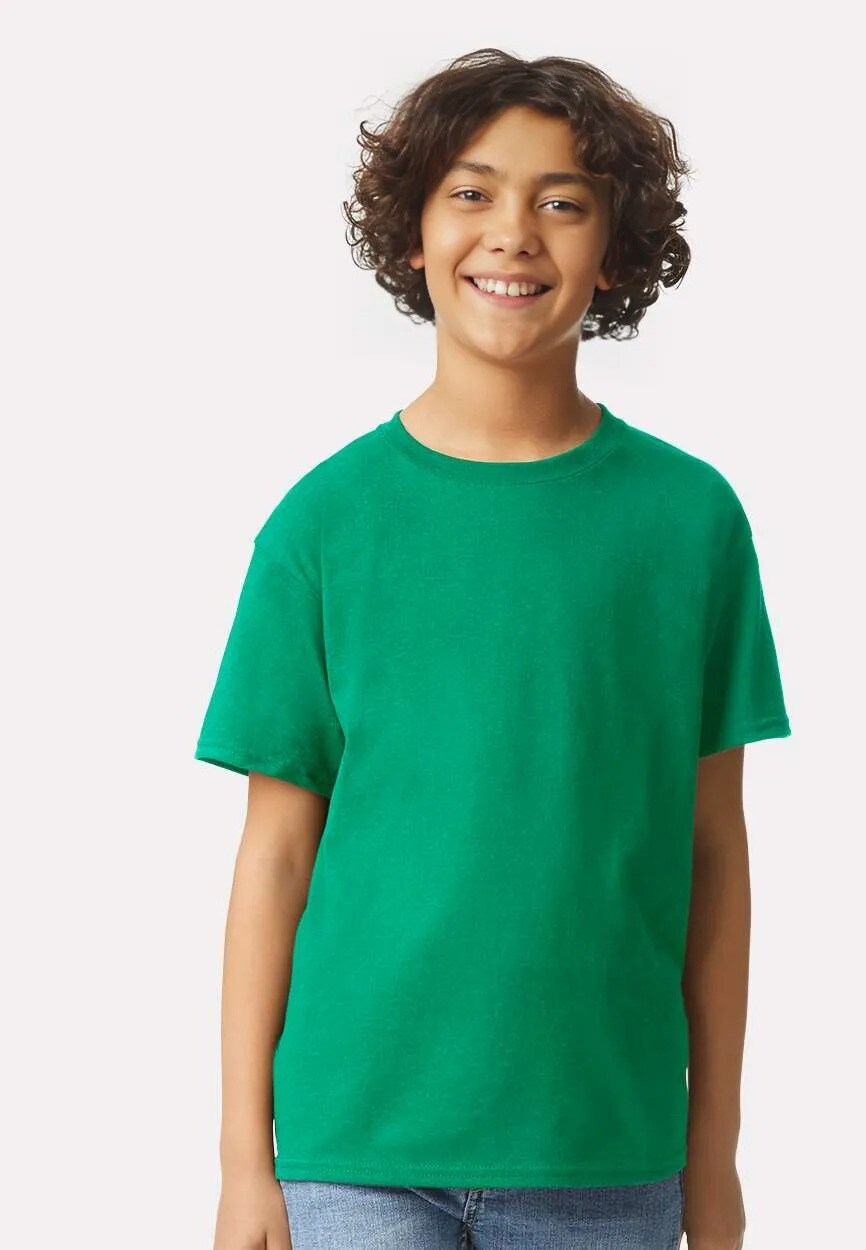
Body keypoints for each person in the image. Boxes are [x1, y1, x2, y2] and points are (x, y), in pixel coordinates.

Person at [195, 48, 792, 1250]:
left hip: (603, 1147)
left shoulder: (688, 523)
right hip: (352, 1151)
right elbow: (275, 856)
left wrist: (715, 1154)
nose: (512, 232)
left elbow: (714, 854)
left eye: (561, 201)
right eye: (470, 192)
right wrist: (243, 1163)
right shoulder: (323, 525)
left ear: (613, 251)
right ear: (413, 236)